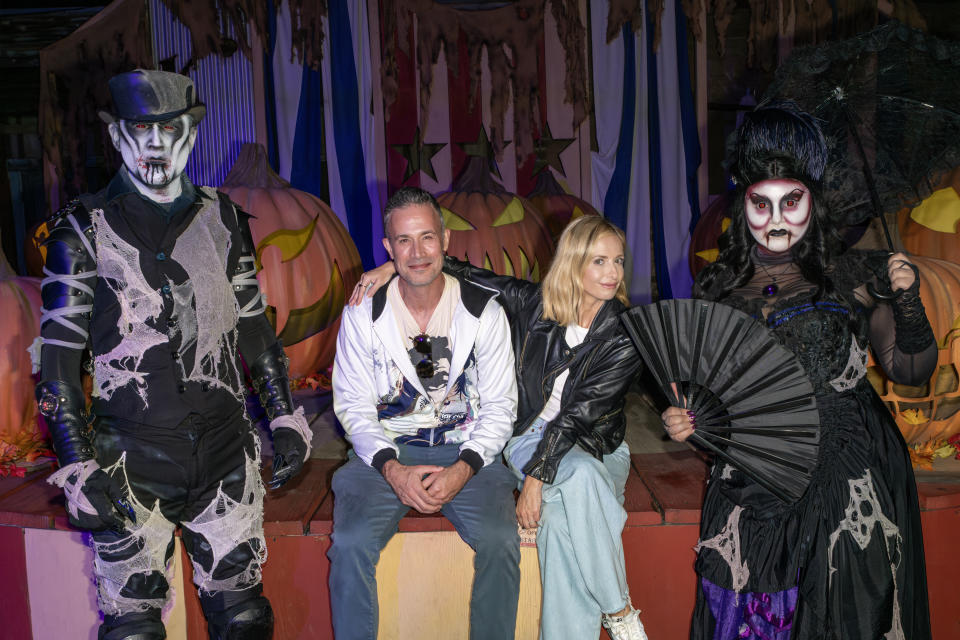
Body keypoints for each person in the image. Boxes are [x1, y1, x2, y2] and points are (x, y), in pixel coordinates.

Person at [33, 69, 312, 640]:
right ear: (117, 137)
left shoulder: (225, 220)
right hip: (130, 461)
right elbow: (58, 362)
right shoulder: (82, 233)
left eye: (171, 128)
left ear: (190, 135)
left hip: (225, 455)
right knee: (132, 626)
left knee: (243, 618)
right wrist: (78, 468)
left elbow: (255, 329)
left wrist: (284, 416)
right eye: (141, 128)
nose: (156, 143)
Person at [661, 102, 935, 640]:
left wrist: (907, 301)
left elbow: (909, 370)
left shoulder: (849, 274)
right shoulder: (716, 287)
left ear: (814, 200)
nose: (777, 219)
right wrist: (684, 421)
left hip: (845, 472)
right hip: (757, 473)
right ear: (742, 205)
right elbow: (707, 403)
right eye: (760, 204)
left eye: (791, 201)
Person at [355, 215, 647, 640]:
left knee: (562, 524)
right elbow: (474, 275)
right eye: (598, 261)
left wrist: (534, 481)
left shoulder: (624, 332)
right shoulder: (537, 305)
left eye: (617, 261)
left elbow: (578, 415)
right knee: (577, 484)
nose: (612, 273)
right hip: (531, 439)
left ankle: (615, 614)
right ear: (573, 263)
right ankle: (619, 612)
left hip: (596, 446)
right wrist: (394, 268)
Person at [329, 186, 520, 640]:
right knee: (350, 544)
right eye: (404, 241)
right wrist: (392, 469)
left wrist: (464, 469)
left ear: (446, 241)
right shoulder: (362, 313)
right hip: (387, 452)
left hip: (466, 449)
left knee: (501, 541)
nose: (417, 253)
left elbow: (499, 408)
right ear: (388, 248)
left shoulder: (483, 312)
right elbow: (353, 405)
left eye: (427, 238)